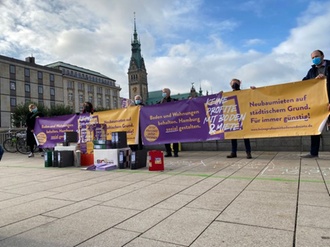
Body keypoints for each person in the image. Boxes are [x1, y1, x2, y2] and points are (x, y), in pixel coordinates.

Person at [301, 49, 330, 158]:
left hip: (329, 101)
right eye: (312, 58)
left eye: (316, 56)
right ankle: (314, 152)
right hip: (318, 103)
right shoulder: (311, 71)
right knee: (315, 127)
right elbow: (304, 83)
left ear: (322, 56)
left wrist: (326, 78)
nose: (315, 59)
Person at [225, 79, 253, 159]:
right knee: (233, 136)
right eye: (233, 83)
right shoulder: (228, 95)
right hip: (233, 117)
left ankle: (248, 152)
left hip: (243, 117)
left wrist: (253, 90)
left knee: (246, 136)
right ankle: (233, 152)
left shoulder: (244, 93)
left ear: (239, 84)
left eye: (236, 83)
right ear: (231, 85)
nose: (234, 85)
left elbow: (252, 97)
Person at [160, 88, 179, 157]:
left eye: (164, 92)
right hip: (165, 123)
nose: (163, 93)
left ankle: (175, 152)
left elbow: (182, 103)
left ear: (168, 93)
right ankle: (168, 152)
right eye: (162, 92)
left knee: (175, 138)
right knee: (166, 138)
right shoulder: (161, 102)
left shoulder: (174, 100)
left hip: (173, 122)